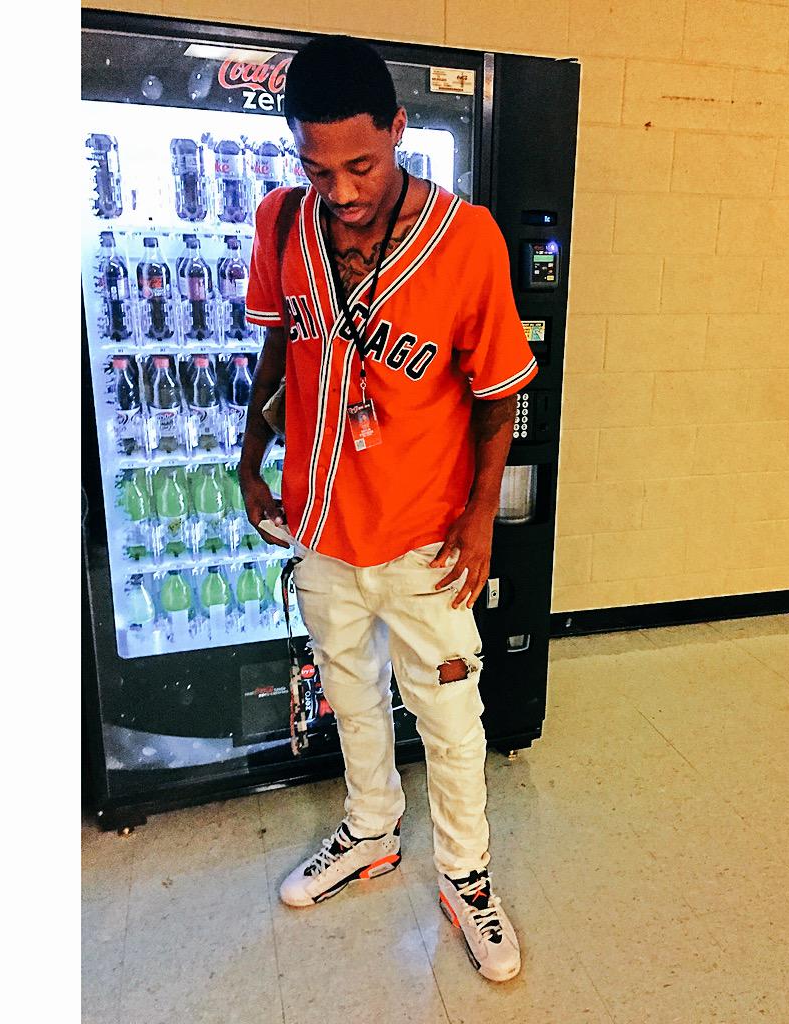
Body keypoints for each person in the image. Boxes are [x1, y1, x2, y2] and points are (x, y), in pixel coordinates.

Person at [239, 34, 537, 984]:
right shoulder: (282, 222)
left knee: (449, 715)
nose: (341, 190)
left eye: (361, 165)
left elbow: (498, 393)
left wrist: (482, 515)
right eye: (317, 167)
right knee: (350, 692)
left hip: (425, 536)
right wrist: (249, 459)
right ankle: (370, 831)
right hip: (322, 522)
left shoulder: (467, 239)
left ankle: (467, 876)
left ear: (400, 130)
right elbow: (278, 351)